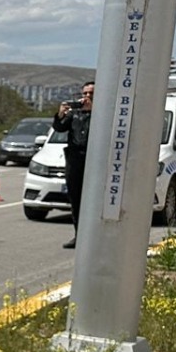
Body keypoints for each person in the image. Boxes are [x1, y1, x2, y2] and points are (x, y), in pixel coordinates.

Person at [54, 81, 96, 250]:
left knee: (94, 202)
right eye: (85, 94)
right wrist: (61, 114)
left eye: (91, 94)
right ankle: (79, 236)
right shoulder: (74, 115)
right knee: (76, 201)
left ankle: (95, 238)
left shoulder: (103, 114)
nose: (87, 97)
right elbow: (59, 128)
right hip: (75, 162)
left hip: (94, 163)